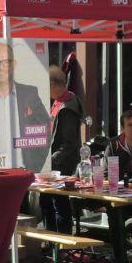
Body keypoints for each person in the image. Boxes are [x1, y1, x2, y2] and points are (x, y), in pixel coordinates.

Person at [0, 42, 50, 171]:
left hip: (24, 172)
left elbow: (45, 129)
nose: (1, 67)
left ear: (13, 65)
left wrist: (35, 165)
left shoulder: (30, 93)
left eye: (6, 61)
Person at [42, 65, 83, 233]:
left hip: (62, 165)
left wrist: (51, 161)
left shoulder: (66, 107)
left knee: (57, 203)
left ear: (53, 84)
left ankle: (58, 246)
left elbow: (69, 143)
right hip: (58, 163)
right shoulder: (64, 100)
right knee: (47, 201)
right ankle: (51, 242)